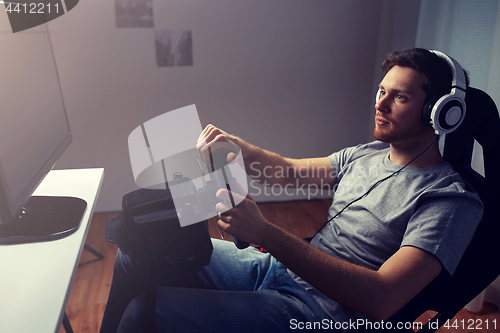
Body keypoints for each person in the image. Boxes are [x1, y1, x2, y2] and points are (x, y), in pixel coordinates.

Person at [100, 48, 483, 332]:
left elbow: (382, 299)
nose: (380, 104)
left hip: (323, 314)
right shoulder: (365, 155)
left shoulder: (450, 201)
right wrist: (238, 148)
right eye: (381, 91)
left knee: (143, 315)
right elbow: (289, 174)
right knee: (136, 255)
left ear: (440, 112)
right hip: (280, 270)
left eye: (399, 96)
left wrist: (265, 233)